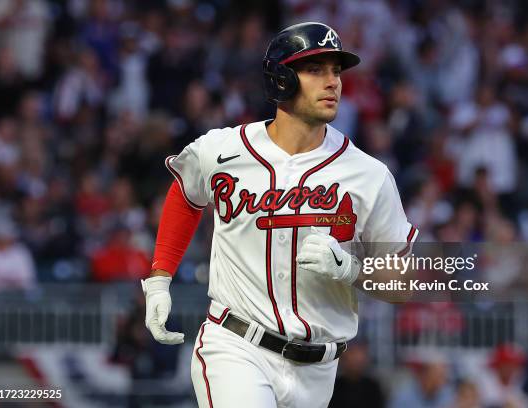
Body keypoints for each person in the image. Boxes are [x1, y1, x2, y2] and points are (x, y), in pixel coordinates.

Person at [141, 22, 418, 408]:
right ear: (282, 79)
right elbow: (186, 194)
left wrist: (354, 271)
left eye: (336, 71)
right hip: (237, 346)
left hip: (319, 370)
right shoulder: (224, 151)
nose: (333, 82)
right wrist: (160, 276)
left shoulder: (368, 175)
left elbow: (405, 283)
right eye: (316, 69)